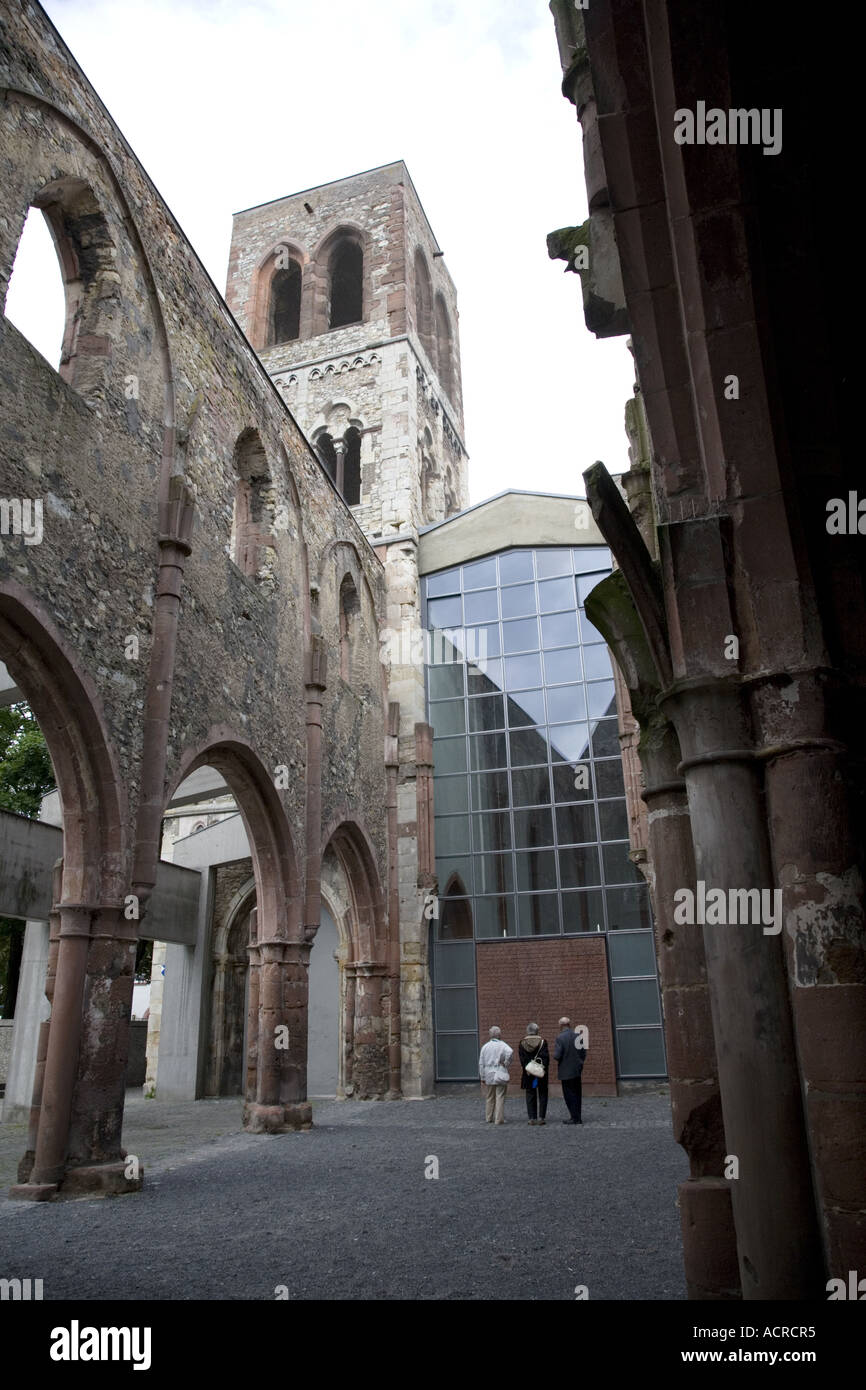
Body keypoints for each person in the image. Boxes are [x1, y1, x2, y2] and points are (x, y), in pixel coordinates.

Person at [554, 1016, 587, 1125]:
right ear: (569, 1025)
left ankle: (574, 1117)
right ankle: (578, 1116)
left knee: (569, 1095)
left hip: (565, 1071)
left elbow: (557, 1055)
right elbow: (583, 1053)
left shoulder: (560, 1038)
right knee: (577, 1094)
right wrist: (579, 1063)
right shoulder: (578, 1036)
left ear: (561, 1025)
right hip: (576, 1070)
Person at [478, 1025, 513, 1125]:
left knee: (489, 1096)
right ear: (499, 1034)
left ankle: (488, 1117)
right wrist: (506, 1063)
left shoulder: (485, 1046)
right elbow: (510, 1052)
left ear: (490, 1035)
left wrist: (482, 1076)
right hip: (500, 1071)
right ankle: (498, 1119)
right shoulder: (503, 1045)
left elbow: (481, 1063)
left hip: (488, 1073)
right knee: (500, 1096)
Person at [518, 1022, 549, 1125]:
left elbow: (522, 1060)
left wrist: (528, 1068)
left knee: (530, 1094)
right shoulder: (543, 1042)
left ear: (527, 1031)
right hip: (540, 1074)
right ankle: (541, 1117)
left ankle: (532, 1117)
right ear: (537, 1031)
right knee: (543, 1093)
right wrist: (541, 1069)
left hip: (528, 1074)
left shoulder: (522, 1043)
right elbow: (546, 1058)